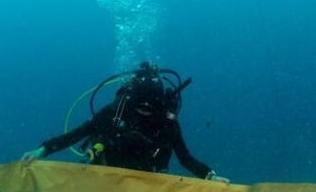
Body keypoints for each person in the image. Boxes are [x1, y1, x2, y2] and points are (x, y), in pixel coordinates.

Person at [22, 62, 229, 183]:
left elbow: (185, 158)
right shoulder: (116, 111)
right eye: (140, 106)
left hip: (144, 182)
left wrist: (210, 176)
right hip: (102, 175)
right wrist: (42, 150)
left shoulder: (167, 122)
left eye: (151, 108)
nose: (145, 111)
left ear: (160, 105)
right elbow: (77, 134)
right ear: (131, 100)